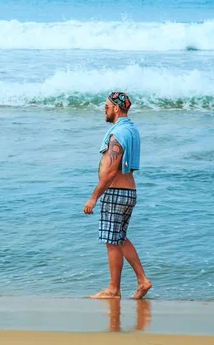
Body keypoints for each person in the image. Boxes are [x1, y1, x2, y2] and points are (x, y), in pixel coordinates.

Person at [83, 91, 152, 300]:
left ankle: (114, 289)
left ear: (116, 108)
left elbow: (111, 170)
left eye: (106, 106)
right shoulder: (131, 130)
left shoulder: (119, 133)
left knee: (112, 241)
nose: (104, 109)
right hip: (128, 192)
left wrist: (94, 196)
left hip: (115, 192)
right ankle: (142, 280)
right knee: (119, 238)